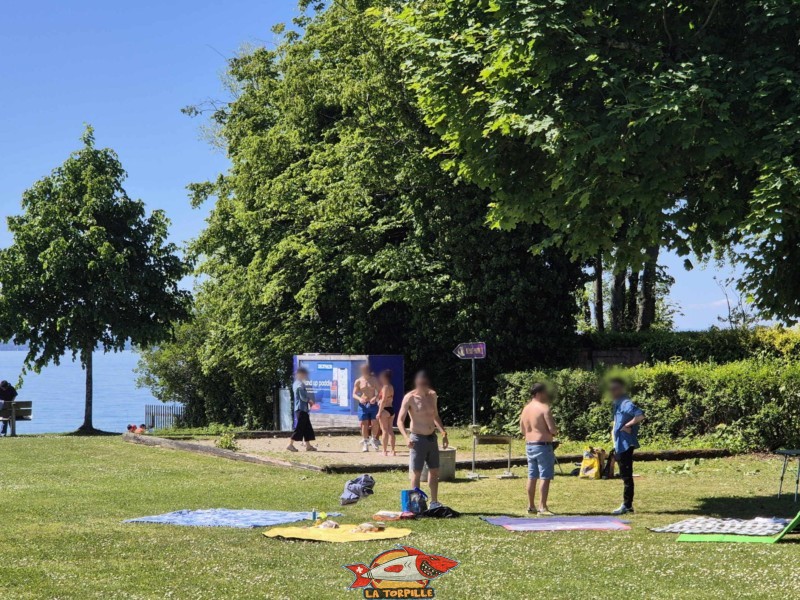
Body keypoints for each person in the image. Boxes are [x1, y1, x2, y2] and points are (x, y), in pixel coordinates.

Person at [397, 371, 448, 510]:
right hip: (417, 439)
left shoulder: (432, 395)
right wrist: (406, 438)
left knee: (435, 471)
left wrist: (443, 432)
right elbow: (400, 421)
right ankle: (416, 503)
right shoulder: (410, 398)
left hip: (431, 438)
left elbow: (435, 416)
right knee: (417, 472)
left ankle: (434, 502)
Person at [520, 382, 558, 515]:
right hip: (543, 446)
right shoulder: (544, 408)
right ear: (540, 393)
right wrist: (554, 432)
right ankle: (543, 506)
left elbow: (522, 430)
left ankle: (531, 505)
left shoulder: (526, 409)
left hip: (530, 445)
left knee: (532, 476)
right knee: (545, 476)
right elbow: (552, 429)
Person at [609, 377, 645, 515]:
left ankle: (627, 505)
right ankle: (627, 504)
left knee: (627, 476)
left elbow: (640, 415)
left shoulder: (625, 403)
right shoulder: (617, 404)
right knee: (624, 475)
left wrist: (627, 426)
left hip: (625, 445)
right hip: (619, 445)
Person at [287, 367, 317, 452]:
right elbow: (303, 397)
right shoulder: (299, 385)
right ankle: (290, 444)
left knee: (307, 427)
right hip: (301, 409)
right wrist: (310, 400)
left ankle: (308, 446)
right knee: (300, 428)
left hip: (301, 409)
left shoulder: (296, 383)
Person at [352, 363, 380, 452]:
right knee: (364, 423)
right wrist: (360, 399)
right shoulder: (359, 381)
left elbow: (381, 392)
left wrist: (375, 397)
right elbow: (354, 394)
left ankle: (374, 439)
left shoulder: (374, 380)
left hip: (372, 404)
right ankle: (365, 442)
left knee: (375, 422)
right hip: (363, 404)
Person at [377, 369, 396, 456]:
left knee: (384, 430)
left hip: (385, 410)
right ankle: (393, 450)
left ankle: (384, 451)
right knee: (390, 430)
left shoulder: (385, 387)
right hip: (391, 410)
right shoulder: (391, 386)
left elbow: (384, 400)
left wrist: (379, 412)